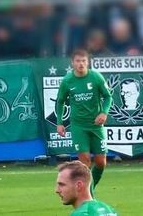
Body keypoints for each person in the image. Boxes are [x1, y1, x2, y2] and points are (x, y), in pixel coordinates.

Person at [55, 49, 112, 195]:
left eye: (83, 61)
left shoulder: (96, 77)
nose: (81, 64)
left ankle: (89, 190)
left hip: (96, 125)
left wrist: (104, 112)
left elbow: (108, 97)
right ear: (72, 63)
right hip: (79, 126)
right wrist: (60, 122)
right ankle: (89, 195)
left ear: (88, 62)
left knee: (101, 162)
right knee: (85, 162)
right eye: (78, 61)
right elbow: (60, 102)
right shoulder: (67, 81)